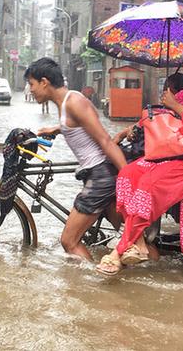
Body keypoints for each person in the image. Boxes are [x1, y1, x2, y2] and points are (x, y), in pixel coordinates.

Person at [96, 47, 183, 276]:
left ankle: (118, 251)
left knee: (148, 186)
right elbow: (165, 124)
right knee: (128, 174)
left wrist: (175, 106)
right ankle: (141, 244)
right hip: (166, 155)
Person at [28, 58, 126, 261]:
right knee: (131, 239)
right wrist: (56, 129)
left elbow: (105, 141)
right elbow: (79, 126)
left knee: (69, 241)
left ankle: (95, 284)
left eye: (31, 84)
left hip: (101, 176)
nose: (30, 90)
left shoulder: (74, 102)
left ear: (44, 82)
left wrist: (128, 176)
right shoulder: (65, 103)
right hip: (98, 174)